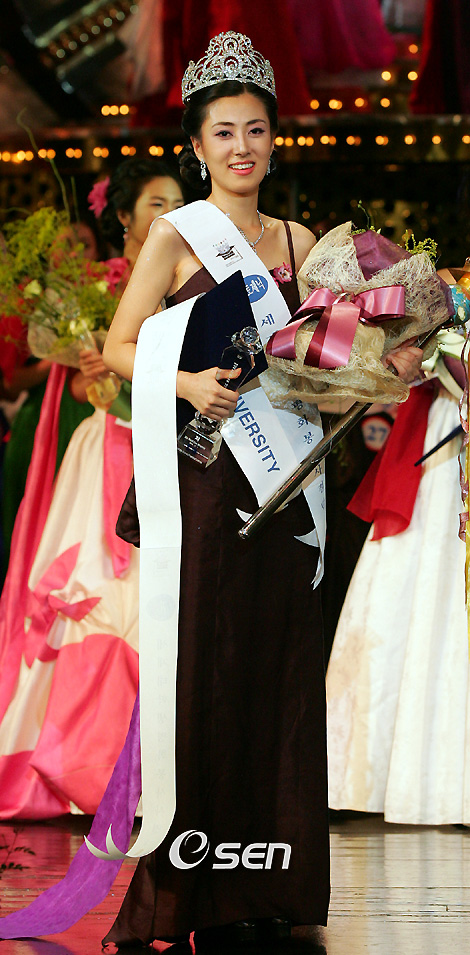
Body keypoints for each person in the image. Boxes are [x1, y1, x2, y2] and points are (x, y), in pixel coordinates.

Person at [0, 32, 421, 949]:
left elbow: (322, 358)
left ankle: (272, 876)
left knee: (278, 663)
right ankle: (197, 886)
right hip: (207, 474)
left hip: (286, 480)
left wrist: (373, 369)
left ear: (274, 142)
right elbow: (119, 345)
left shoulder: (304, 243)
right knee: (207, 664)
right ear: (197, 146)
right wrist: (187, 382)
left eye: (255, 131)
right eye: (224, 132)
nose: (241, 147)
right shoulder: (176, 234)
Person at [0, 158, 184, 820]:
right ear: (126, 218)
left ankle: (159, 769)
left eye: (179, 203)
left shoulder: (194, 281)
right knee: (102, 605)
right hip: (109, 452)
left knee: (162, 608)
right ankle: (88, 762)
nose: (170, 215)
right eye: (157, 204)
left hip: (173, 450)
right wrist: (96, 373)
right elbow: (81, 388)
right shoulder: (102, 287)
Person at [326, 340, 469, 825]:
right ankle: (399, 777)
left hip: (449, 421)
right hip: (446, 430)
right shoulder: (449, 300)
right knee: (421, 581)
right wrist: (430, 356)